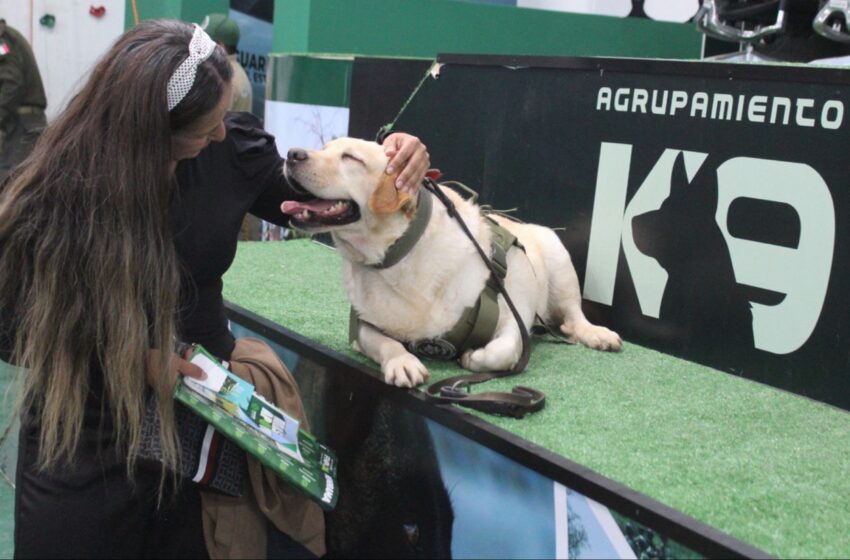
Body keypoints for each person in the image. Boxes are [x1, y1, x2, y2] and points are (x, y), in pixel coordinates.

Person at [0, 19, 429, 558]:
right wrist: (130, 358)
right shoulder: (58, 189)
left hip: (202, 420)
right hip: (83, 431)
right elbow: (8, 323)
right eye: (208, 127)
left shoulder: (230, 152)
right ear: (150, 130)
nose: (223, 134)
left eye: (226, 116)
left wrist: (393, 169)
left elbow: (314, 202)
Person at [0, 19, 47, 183]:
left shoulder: (3, 40)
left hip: (22, 126)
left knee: (12, 183)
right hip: (21, 124)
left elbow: (12, 83)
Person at [202, 13, 252, 112]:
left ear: (220, 46)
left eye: (204, 41)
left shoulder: (225, 77)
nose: (200, 45)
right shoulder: (236, 73)